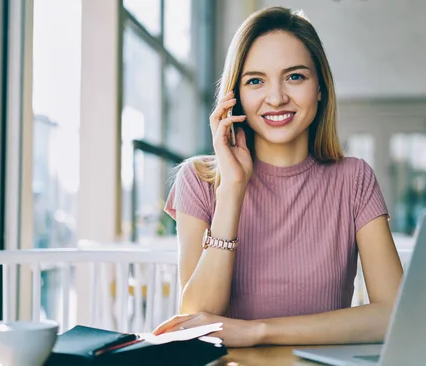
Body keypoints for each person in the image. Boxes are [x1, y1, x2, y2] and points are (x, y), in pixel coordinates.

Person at [152, 6, 403, 347]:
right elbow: (198, 322)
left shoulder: (354, 179)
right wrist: (233, 189)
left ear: (320, 87)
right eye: (255, 81)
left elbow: (393, 315)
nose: (276, 98)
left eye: (295, 76)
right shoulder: (198, 179)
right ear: (235, 96)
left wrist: (258, 331)